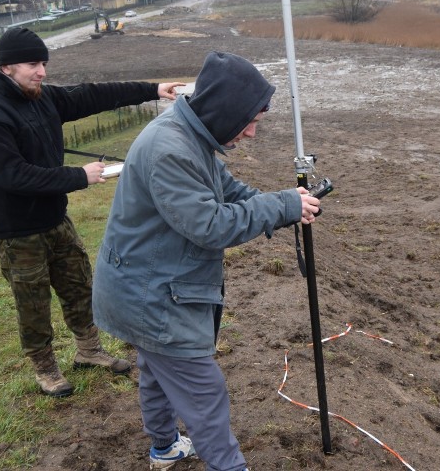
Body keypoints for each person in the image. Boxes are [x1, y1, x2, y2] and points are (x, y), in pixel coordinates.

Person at [92, 51, 321, 471]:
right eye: (249, 120)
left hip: (141, 285)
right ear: (224, 111)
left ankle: (163, 447)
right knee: (203, 392)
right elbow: (210, 225)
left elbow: (226, 189)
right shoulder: (171, 150)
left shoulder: (188, 136)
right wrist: (279, 206)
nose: (252, 133)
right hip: (151, 297)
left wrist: (287, 206)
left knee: (157, 373)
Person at [0, 27, 183, 398]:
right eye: (34, 64)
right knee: (32, 302)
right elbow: (11, 175)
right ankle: (45, 368)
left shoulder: (39, 98)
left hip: (55, 219)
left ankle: (89, 351)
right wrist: (77, 176)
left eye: (44, 64)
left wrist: (152, 89)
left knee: (80, 286)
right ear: (6, 67)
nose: (42, 72)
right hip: (17, 231)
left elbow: (92, 95)